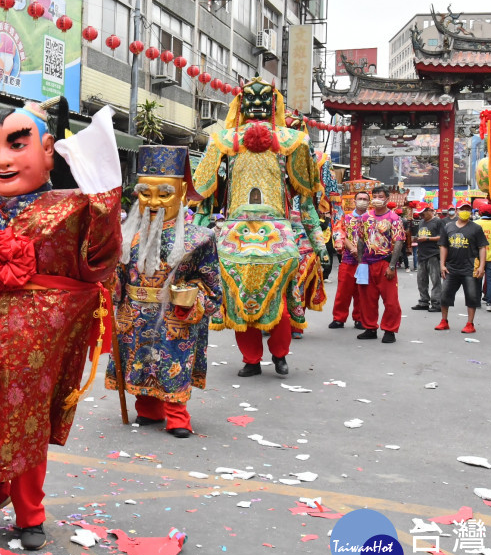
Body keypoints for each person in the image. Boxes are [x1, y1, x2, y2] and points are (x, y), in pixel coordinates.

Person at [0, 102, 122, 552]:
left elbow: (98, 263)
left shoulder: (71, 209)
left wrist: (106, 198)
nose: (3, 159)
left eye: (17, 144)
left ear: (48, 151)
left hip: (37, 341)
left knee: (24, 420)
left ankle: (30, 513)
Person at [191, 78, 328, 357]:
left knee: (281, 298)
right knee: (238, 301)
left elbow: (307, 201)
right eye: (250, 99)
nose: (256, 105)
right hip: (235, 233)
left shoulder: (294, 142)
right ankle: (251, 358)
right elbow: (202, 198)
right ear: (240, 103)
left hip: (277, 232)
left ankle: (279, 354)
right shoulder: (222, 141)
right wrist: (193, 239)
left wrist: (318, 242)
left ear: (273, 102)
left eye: (263, 99)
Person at [107, 146, 219, 435]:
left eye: (164, 194)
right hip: (134, 312)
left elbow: (212, 285)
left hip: (175, 314)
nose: (153, 201)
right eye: (145, 193)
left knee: (174, 365)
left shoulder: (199, 238)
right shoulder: (125, 235)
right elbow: (116, 276)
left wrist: (191, 298)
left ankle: (177, 418)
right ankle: (147, 411)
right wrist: (109, 286)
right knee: (139, 360)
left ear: (181, 194)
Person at [353, 187, 405, 343]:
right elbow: (361, 240)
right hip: (367, 263)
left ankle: (389, 330)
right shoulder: (365, 217)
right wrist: (361, 262)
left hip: (385, 262)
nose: (376, 199)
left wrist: (392, 266)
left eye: (380, 196)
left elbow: (399, 242)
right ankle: (370, 327)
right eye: (374, 196)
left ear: (387, 199)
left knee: (391, 301)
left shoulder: (394, 218)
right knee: (367, 299)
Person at [435, 201, 488, 334]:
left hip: (470, 268)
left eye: (468, 209)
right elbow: (443, 246)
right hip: (451, 267)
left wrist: (482, 266)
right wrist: (442, 265)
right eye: (462, 209)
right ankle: (444, 321)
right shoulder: (448, 227)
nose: (465, 211)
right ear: (457, 211)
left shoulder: (476, 228)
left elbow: (482, 247)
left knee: (472, 296)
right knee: (445, 295)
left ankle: (470, 323)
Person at [328, 192, 368, 329]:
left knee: (362, 291)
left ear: (369, 202)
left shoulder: (372, 218)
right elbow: (340, 234)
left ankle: (360, 318)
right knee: (343, 291)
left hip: (365, 261)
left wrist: (362, 252)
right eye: (360, 199)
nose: (362, 201)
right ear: (354, 201)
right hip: (348, 259)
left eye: (365, 199)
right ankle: (339, 318)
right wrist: (353, 249)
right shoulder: (346, 218)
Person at [411, 203, 444, 312]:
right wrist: (416, 239)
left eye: (423, 212)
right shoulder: (421, 222)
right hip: (422, 254)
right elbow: (420, 235)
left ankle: (437, 303)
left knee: (435, 280)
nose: (421, 215)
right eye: (420, 213)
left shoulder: (438, 222)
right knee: (421, 280)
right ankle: (423, 301)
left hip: (433, 254)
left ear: (430, 210)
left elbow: (442, 237)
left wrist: (428, 239)